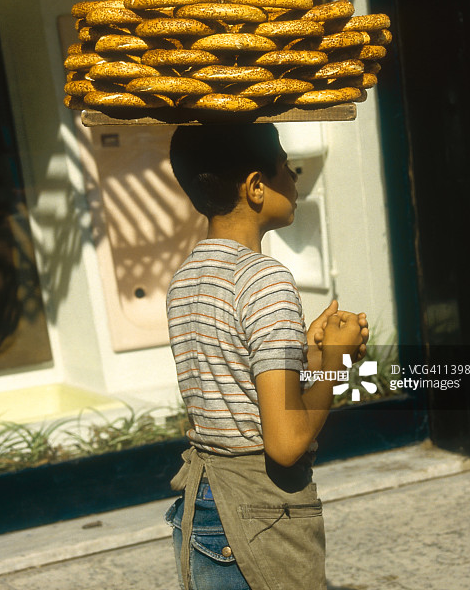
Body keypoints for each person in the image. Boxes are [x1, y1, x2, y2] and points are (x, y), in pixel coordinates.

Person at [165, 122, 369, 590]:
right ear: (256, 187)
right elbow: (285, 442)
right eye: (286, 169)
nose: (294, 180)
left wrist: (313, 359)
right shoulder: (265, 280)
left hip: (205, 512)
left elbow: (238, 399)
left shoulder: (186, 278)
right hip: (259, 516)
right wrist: (337, 362)